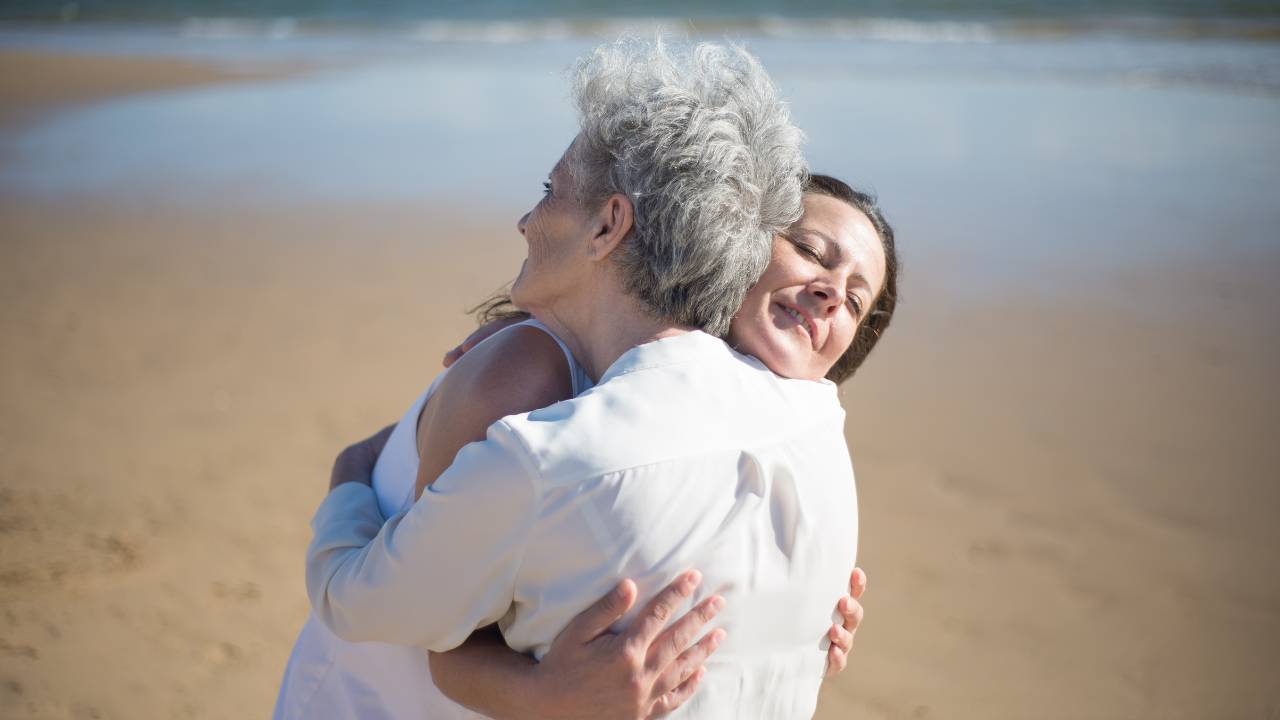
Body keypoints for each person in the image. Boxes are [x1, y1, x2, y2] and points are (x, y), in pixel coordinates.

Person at [303, 38, 892, 718]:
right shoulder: (819, 438)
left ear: (611, 224)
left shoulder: (544, 444)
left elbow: (366, 604)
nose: (526, 220)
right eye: (808, 253)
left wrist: (351, 468)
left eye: (551, 191)